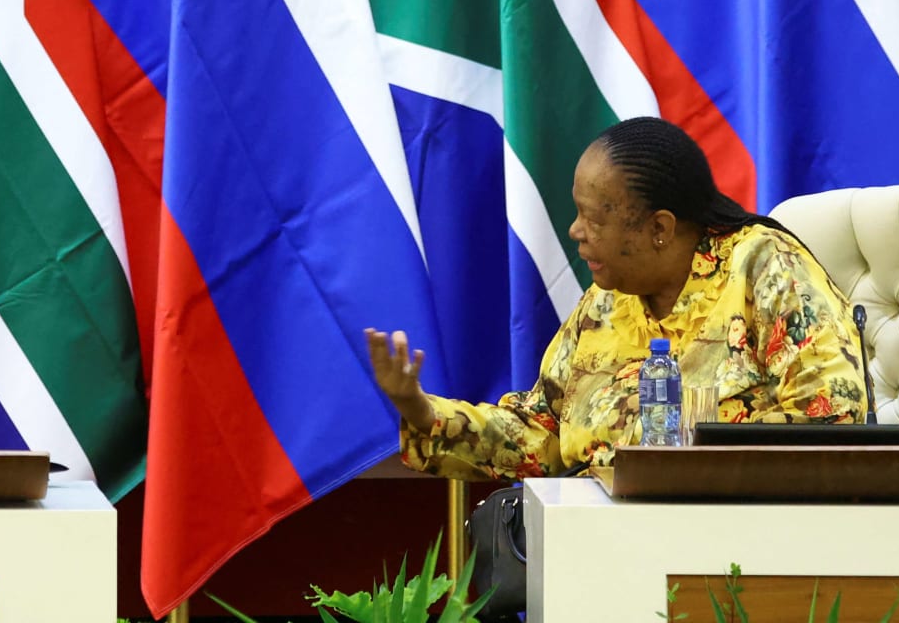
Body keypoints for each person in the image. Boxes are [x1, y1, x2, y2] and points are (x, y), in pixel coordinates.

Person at [367, 116, 867, 479]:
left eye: (594, 219)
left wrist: (689, 462)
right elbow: (541, 435)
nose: (576, 231)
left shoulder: (763, 267)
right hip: (599, 541)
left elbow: (829, 419)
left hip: (732, 545)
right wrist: (420, 410)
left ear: (659, 228)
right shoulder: (606, 300)